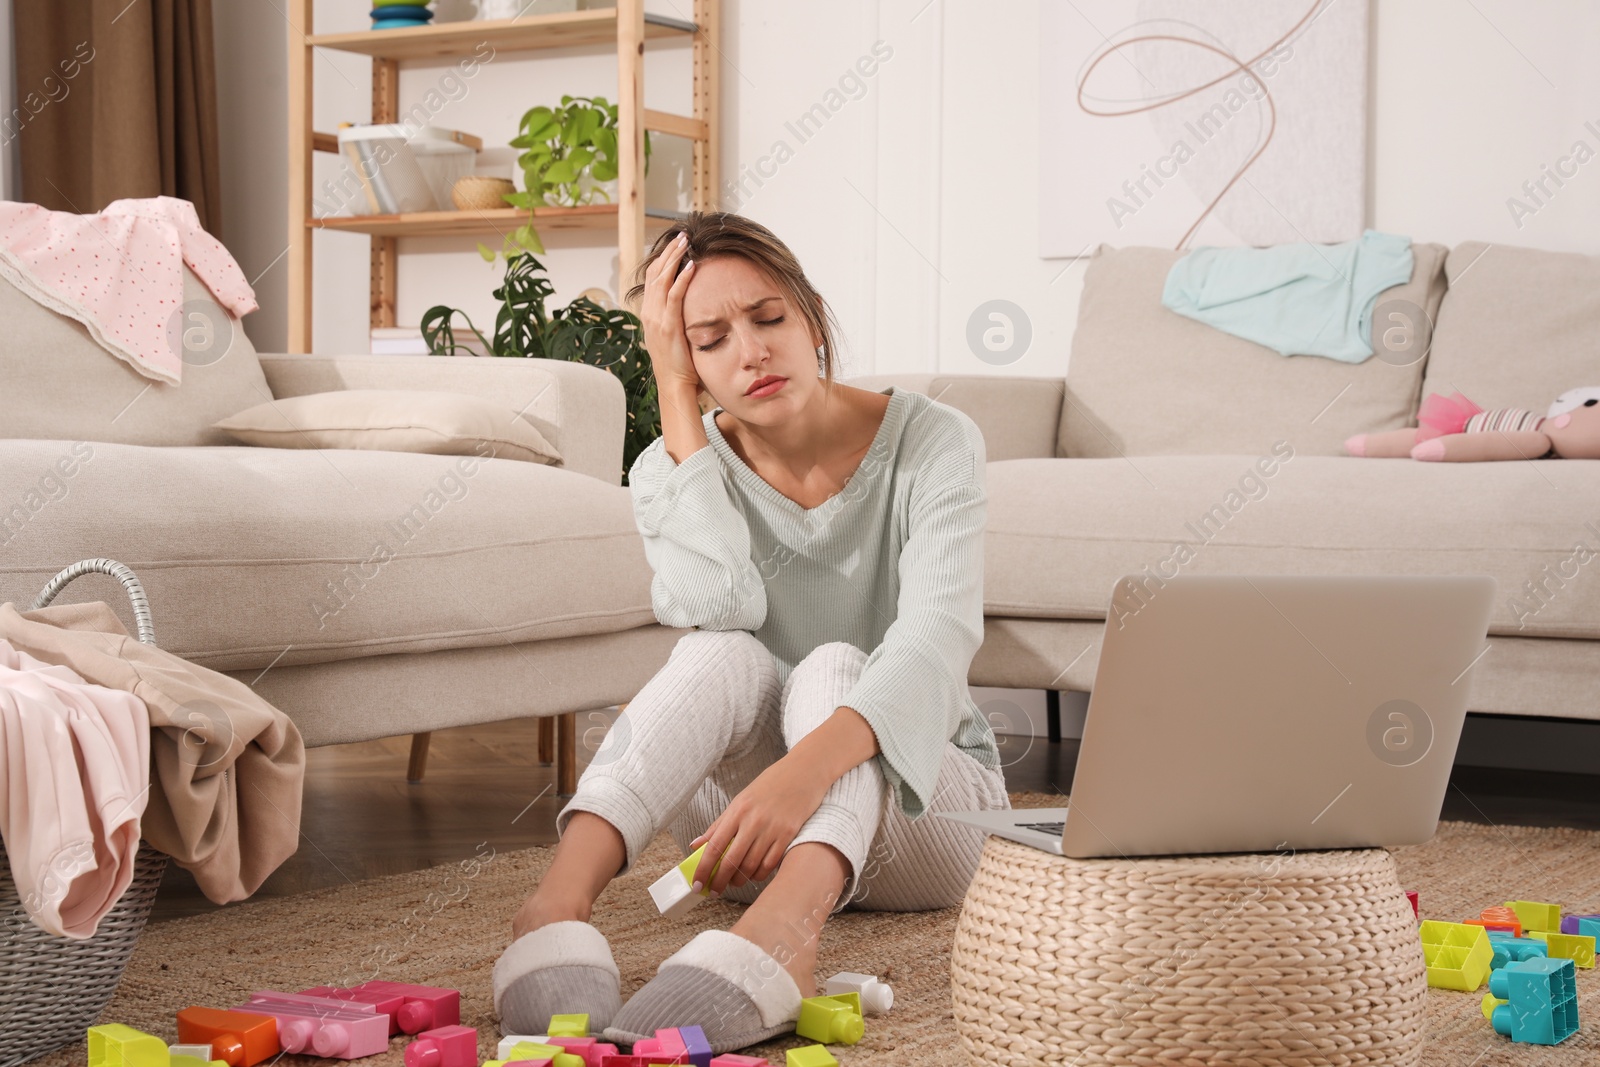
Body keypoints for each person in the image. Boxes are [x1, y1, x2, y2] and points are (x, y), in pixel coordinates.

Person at [491, 211, 1011, 1054]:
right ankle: (553, 903)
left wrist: (805, 772)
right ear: (686, 360)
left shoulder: (933, 442)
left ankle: (787, 939)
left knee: (840, 663)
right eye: (708, 339)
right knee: (720, 651)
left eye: (769, 319)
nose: (751, 353)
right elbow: (723, 601)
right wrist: (673, 400)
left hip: (925, 820)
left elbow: (935, 639)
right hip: (742, 840)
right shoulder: (669, 468)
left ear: (811, 316)